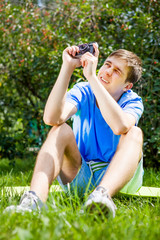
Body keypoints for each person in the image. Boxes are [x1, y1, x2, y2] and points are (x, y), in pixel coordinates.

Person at [4, 43, 144, 218]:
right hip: (81, 177)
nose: (108, 71)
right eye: (107, 64)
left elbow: (120, 126)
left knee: (134, 132)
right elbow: (52, 118)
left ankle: (102, 196)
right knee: (59, 129)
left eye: (117, 71)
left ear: (127, 86)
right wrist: (67, 67)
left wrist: (92, 78)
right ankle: (33, 202)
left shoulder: (132, 101)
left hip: (120, 182)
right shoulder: (83, 91)